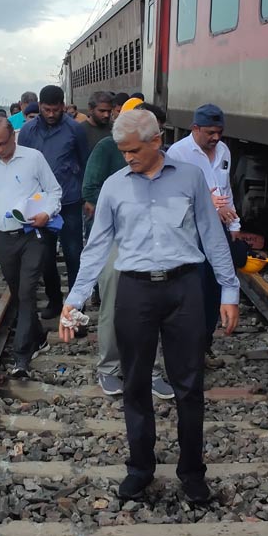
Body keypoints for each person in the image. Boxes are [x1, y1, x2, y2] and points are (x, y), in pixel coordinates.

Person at [58, 109, 239, 503]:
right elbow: (96, 248)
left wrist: (229, 291)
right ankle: (140, 468)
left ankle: (192, 472)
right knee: (135, 384)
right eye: (122, 152)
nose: (128, 158)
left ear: (156, 141)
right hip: (135, 292)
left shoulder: (190, 178)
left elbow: (212, 236)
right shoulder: (113, 187)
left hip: (185, 289)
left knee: (189, 386)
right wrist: (73, 301)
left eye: (133, 150)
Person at [82, 102, 174, 398]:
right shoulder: (107, 149)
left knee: (154, 308)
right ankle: (109, 368)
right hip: (115, 240)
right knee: (113, 303)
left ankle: (153, 371)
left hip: (150, 241)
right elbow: (91, 189)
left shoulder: (163, 157)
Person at [0, 116, 60, 377]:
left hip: (33, 235)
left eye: (3, 143)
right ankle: (39, 336)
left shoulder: (33, 158)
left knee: (26, 292)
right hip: (5, 238)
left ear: (13, 136)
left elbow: (55, 191)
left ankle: (21, 357)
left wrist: (46, 213)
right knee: (17, 291)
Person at [166, 103, 245, 368]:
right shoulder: (178, 153)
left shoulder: (223, 151)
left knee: (214, 290)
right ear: (195, 129)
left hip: (218, 231)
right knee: (193, 292)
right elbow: (171, 196)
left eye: (219, 132)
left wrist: (234, 227)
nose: (216, 137)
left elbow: (226, 189)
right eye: (210, 132)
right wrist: (206, 203)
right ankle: (186, 351)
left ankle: (204, 347)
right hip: (190, 233)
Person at [17, 85, 90, 319]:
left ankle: (76, 302)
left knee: (73, 253)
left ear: (63, 106)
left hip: (68, 201)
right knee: (45, 256)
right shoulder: (28, 131)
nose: (50, 114)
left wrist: (86, 196)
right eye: (46, 109)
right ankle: (54, 300)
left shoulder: (75, 130)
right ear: (39, 106)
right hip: (40, 204)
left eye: (55, 110)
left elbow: (85, 162)